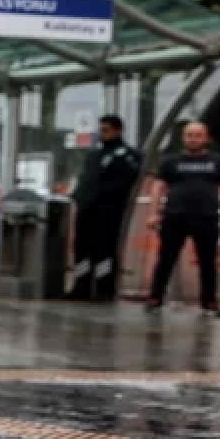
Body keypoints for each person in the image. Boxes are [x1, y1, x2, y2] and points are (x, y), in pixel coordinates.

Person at [145, 121, 220, 318]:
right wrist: (153, 213)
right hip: (174, 217)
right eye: (189, 135)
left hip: (206, 218)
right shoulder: (170, 162)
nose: (193, 139)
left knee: (208, 262)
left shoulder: (218, 162)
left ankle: (209, 302)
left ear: (206, 138)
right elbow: (157, 188)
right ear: (183, 138)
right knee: (165, 259)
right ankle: (155, 298)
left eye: (198, 135)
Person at [67, 115, 142, 302]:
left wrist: (104, 197)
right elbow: (86, 179)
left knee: (104, 250)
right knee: (82, 248)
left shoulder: (128, 155)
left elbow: (125, 183)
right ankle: (81, 286)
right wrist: (78, 197)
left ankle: (104, 288)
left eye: (106, 130)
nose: (102, 133)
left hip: (108, 210)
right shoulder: (94, 154)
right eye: (101, 130)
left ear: (118, 131)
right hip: (87, 209)